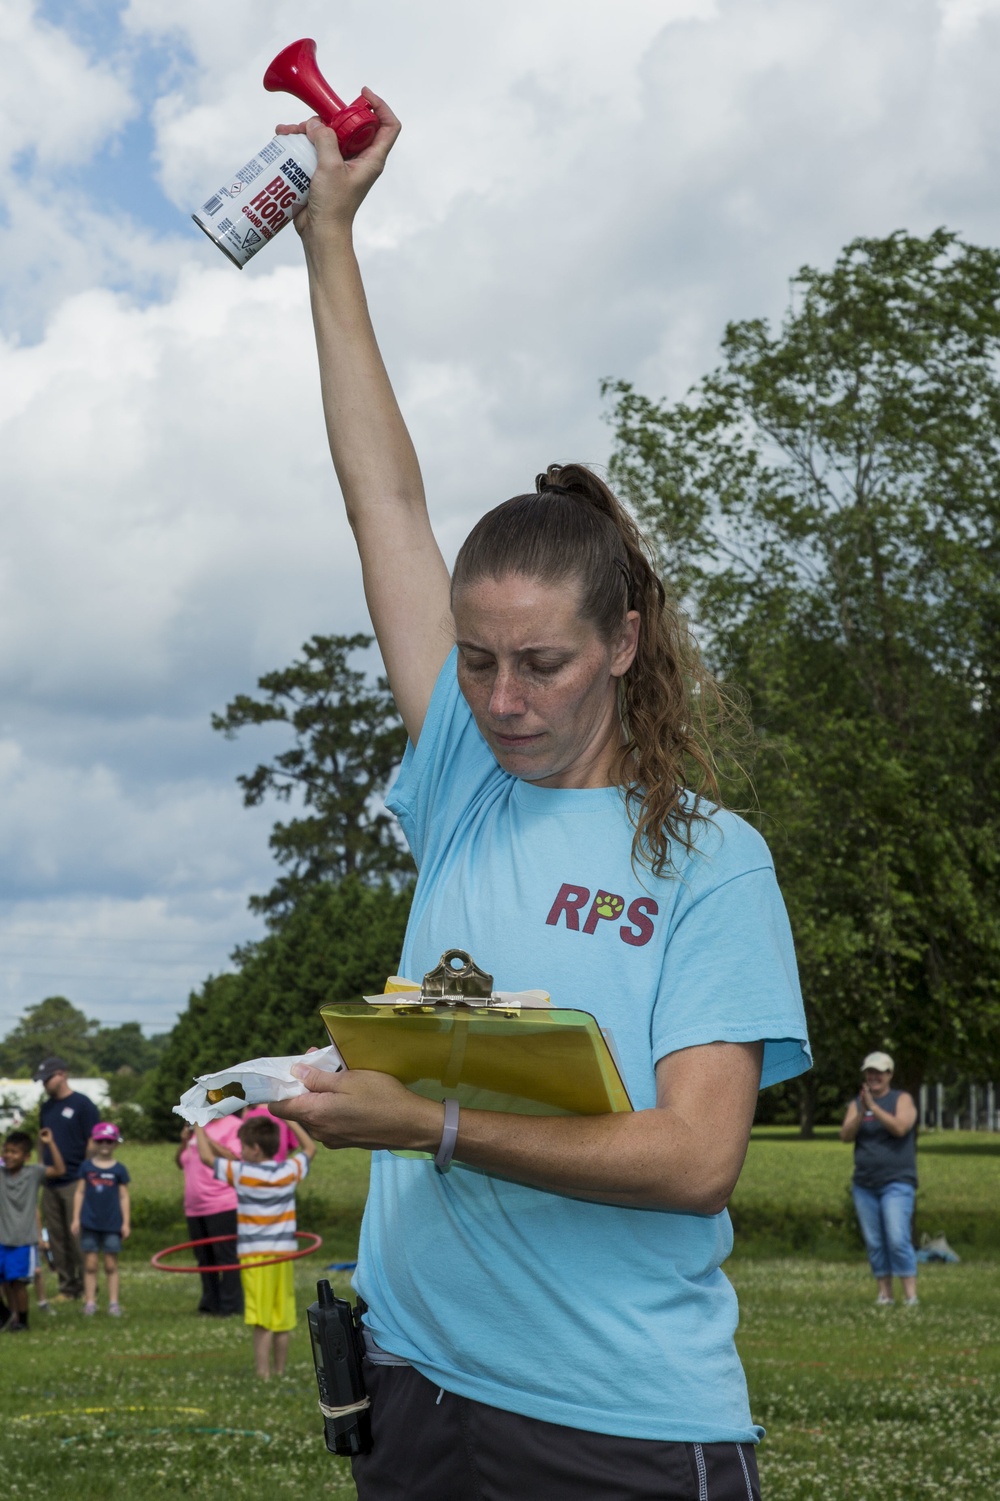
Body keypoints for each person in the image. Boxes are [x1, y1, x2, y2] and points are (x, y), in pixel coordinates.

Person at [261, 96, 811, 1501]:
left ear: (622, 644)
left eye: (544, 665)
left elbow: (696, 1158)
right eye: (483, 661)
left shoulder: (710, 861)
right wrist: (330, 236)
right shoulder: (463, 781)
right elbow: (380, 496)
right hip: (414, 1391)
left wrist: (427, 1122)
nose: (502, 700)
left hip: (613, 1427)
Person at [195, 1115, 316, 1380]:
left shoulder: (242, 1173)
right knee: (281, 1314)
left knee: (261, 1317)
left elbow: (206, 1158)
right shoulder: (287, 1171)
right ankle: (280, 1371)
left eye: (243, 1146)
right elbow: (310, 1149)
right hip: (283, 1254)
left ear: (255, 1149)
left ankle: (263, 1374)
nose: (239, 1150)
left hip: (255, 1255)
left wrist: (197, 1126)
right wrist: (292, 1122)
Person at [839, 1051, 918, 1307]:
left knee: (897, 1238)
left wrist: (874, 1108)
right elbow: (845, 1135)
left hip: (897, 1182)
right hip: (864, 1184)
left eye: (879, 1073)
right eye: (869, 1072)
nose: (873, 1077)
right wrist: (863, 1111)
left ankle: (910, 1297)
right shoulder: (857, 1103)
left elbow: (900, 1128)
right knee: (875, 1241)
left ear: (889, 1075)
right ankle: (885, 1295)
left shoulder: (901, 1099)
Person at [35, 1057, 100, 1301]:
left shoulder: (83, 1105)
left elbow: (92, 1141)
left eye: (47, 1079)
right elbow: (41, 1139)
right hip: (50, 1181)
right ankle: (66, 1287)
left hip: (75, 1180)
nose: (43, 1085)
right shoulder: (46, 1108)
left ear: (61, 1075)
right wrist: (41, 1167)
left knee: (77, 1235)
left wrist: (86, 1173)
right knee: (56, 1236)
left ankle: (87, 1286)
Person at [176, 1117, 244, 1316]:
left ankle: (231, 1305)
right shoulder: (195, 1127)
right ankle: (210, 1304)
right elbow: (181, 1163)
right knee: (204, 1260)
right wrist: (183, 1141)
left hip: (222, 1202)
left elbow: (234, 1159)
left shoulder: (233, 1125)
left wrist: (204, 1137)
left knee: (227, 1257)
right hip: (194, 1206)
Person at [0, 1127, 66, 1332]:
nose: (9, 1156)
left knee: (18, 1284)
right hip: (2, 1238)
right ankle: (7, 1315)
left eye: (14, 1152)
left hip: (22, 1241)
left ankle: (22, 1321)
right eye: (6, 1151)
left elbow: (59, 1170)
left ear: (26, 1156)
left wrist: (50, 1144)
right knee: (5, 1283)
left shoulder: (33, 1173)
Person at [70, 1122, 131, 1316]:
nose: (105, 1144)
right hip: (90, 1222)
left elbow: (124, 1196)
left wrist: (126, 1222)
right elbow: (79, 1193)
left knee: (111, 1264)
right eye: (101, 1140)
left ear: (115, 1144)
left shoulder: (119, 1170)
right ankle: (90, 1302)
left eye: (109, 1141)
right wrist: (75, 1219)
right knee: (90, 1264)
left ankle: (113, 1303)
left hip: (112, 1224)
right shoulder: (86, 1168)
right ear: (94, 1142)